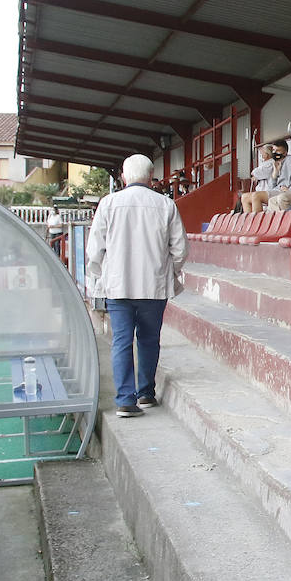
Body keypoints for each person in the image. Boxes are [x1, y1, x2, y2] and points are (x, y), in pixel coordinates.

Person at [86, 154, 188, 417]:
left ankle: (125, 400)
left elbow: (95, 250)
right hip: (152, 287)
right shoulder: (166, 205)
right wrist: (169, 272)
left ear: (123, 176)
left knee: (121, 341)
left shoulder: (108, 203)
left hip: (118, 287)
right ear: (151, 176)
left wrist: (101, 276)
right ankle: (146, 393)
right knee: (149, 339)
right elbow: (180, 249)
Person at [241, 139, 291, 213]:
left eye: (278, 151)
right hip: (276, 190)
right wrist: (275, 172)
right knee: (245, 197)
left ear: (285, 153)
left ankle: (259, 222)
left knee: (256, 196)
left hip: (285, 191)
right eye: (274, 150)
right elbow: (272, 186)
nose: (275, 153)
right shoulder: (276, 162)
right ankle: (249, 223)